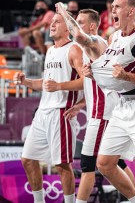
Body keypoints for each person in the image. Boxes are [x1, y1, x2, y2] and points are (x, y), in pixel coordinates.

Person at [44, 4, 135, 203]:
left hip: (104, 113)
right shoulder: (86, 49)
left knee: (87, 163)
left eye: (81, 22)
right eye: (76, 22)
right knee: (117, 162)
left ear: (93, 27)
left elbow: (77, 35)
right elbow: (98, 84)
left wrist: (64, 14)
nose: (75, 26)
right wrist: (80, 104)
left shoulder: (95, 42)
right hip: (104, 110)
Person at [83, 0, 135, 203]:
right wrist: (94, 71)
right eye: (112, 7)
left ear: (131, 11)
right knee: (105, 163)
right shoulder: (114, 37)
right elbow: (108, 68)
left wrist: (127, 76)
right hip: (122, 104)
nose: (113, 11)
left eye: (117, 7)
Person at [13, 12, 84, 203]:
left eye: (57, 22)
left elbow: (87, 81)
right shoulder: (51, 51)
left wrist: (60, 87)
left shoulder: (74, 49)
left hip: (61, 113)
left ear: (68, 28)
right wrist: (26, 81)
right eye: (51, 22)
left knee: (62, 165)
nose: (51, 25)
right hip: (43, 113)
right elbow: (46, 83)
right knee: (27, 159)